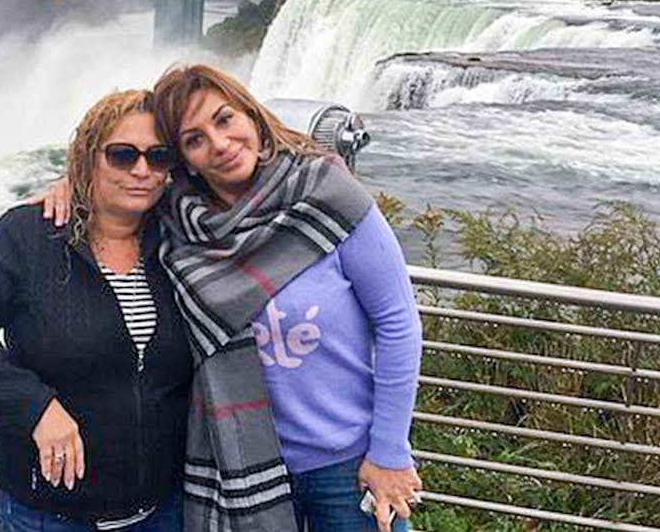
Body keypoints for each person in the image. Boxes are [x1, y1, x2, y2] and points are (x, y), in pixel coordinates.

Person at [43, 65, 422, 532]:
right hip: (238, 468)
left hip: (346, 465)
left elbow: (398, 322)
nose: (219, 143)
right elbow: (114, 195)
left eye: (224, 120)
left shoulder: (328, 194)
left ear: (251, 116)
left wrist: (389, 451)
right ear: (185, 161)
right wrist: (73, 189)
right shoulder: (176, 223)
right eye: (195, 139)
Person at [0, 89, 194, 532]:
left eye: (157, 156)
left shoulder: (180, 238)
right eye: (122, 155)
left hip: (164, 510)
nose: (141, 170)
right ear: (88, 158)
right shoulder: (28, 236)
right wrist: (35, 405)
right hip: (51, 515)